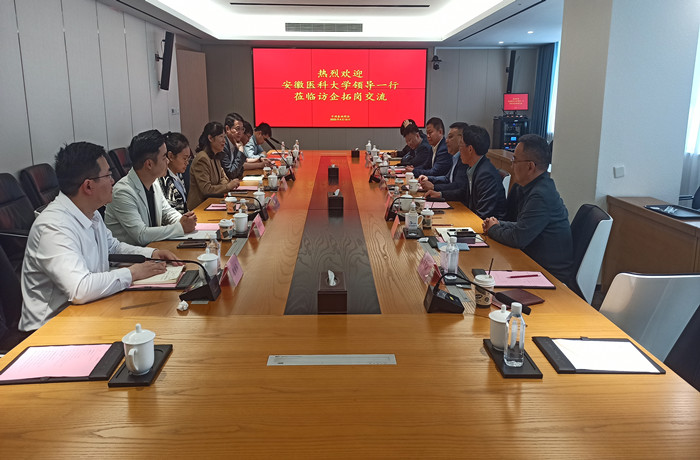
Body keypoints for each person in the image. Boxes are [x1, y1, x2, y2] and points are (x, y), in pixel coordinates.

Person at [19, 142, 179, 331]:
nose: (113, 181)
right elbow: (80, 289)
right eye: (108, 175)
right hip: (49, 330)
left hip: (88, 311)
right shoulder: (53, 227)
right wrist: (133, 273)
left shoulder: (91, 212)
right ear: (88, 186)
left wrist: (152, 254)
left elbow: (113, 247)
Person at [482, 133, 573, 283]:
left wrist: (493, 229)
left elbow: (518, 238)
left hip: (549, 275)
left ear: (530, 166)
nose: (512, 165)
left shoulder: (541, 195)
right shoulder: (534, 187)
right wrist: (498, 224)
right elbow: (523, 226)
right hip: (533, 262)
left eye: (515, 160)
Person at [105, 130, 197, 246]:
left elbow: (167, 213)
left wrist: (184, 219)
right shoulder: (122, 192)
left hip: (152, 249)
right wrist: (181, 227)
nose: (167, 161)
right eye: (164, 157)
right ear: (149, 164)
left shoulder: (154, 182)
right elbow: (141, 235)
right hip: (131, 255)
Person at [425, 125, 506, 219]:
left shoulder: (486, 175)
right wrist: (440, 194)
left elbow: (484, 215)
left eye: (461, 146)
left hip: (488, 225)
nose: (459, 151)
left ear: (470, 149)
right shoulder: (475, 168)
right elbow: (463, 193)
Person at [188, 121, 240, 209]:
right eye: (221, 137)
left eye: (224, 137)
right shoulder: (202, 159)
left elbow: (224, 178)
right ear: (210, 138)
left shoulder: (216, 155)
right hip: (200, 207)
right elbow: (206, 189)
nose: (224, 141)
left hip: (214, 202)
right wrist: (227, 186)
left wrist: (224, 186)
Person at [418, 122, 469, 199]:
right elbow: (447, 178)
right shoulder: (455, 157)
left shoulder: (464, 160)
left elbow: (457, 185)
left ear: (461, 139)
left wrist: (434, 187)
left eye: (450, 137)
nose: (446, 141)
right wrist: (428, 178)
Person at [157, 132, 191, 214]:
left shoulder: (179, 174)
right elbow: (170, 214)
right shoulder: (164, 180)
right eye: (184, 158)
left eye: (188, 158)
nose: (187, 163)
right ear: (171, 156)